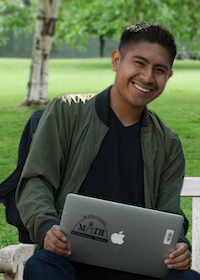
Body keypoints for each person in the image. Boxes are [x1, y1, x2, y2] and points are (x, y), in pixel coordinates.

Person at [16, 22, 200, 280]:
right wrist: (47, 227)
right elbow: (36, 181)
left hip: (138, 267)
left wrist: (179, 244)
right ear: (116, 60)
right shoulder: (66, 112)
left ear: (168, 76)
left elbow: (169, 213)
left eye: (159, 70)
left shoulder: (168, 144)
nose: (147, 77)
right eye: (139, 63)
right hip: (69, 259)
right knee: (41, 268)